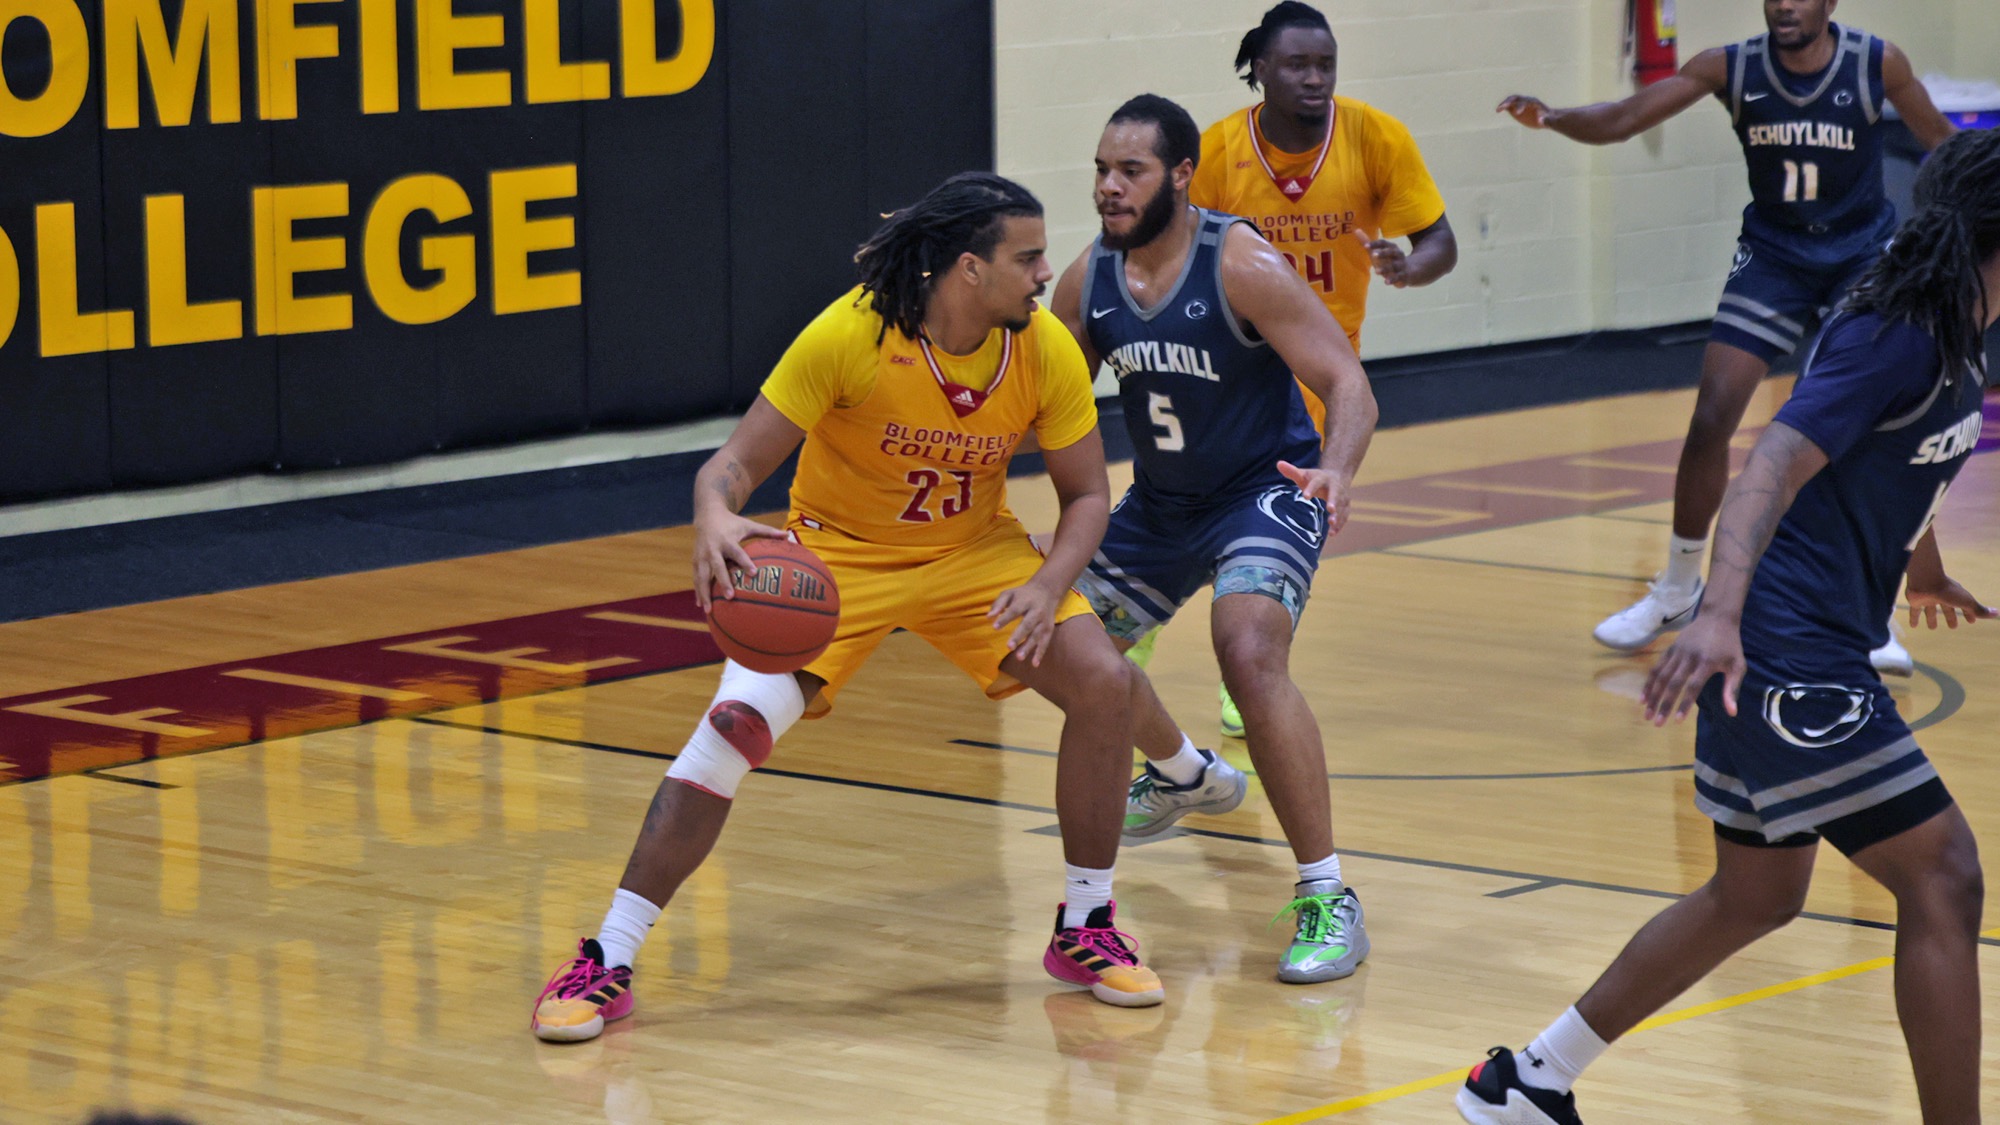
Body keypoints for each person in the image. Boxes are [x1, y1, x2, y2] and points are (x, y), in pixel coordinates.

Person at [530, 173, 1165, 1043]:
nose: (1045, 272)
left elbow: (1088, 494)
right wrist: (714, 514)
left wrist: (1049, 583)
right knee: (731, 734)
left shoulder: (1044, 345)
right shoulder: (850, 333)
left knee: (1104, 679)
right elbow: (729, 468)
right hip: (835, 560)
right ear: (968, 270)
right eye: (1028, 258)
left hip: (972, 554)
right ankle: (607, 955)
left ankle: (1085, 924)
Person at [1457, 126, 2000, 1125]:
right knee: (1944, 876)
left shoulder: (1955, 321)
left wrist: (1921, 565)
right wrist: (1714, 612)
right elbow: (1766, 465)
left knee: (1753, 896)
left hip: (1803, 640)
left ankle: (1526, 1083)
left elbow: (1903, 455)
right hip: (1778, 647)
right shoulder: (1898, 328)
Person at [1497, 0, 1957, 674]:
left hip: (1861, 257)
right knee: (1713, 414)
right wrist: (1555, 116)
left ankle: (1870, 607)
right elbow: (1626, 120)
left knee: (1866, 428)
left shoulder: (1875, 63)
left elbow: (1943, 145)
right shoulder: (1732, 67)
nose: (1784, 5)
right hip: (1775, 258)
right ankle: (1679, 586)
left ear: (1829, 3)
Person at [1053, 94, 1379, 983]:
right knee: (1059, 648)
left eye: (1132, 172)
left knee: (1246, 647)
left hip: (1264, 491)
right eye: (1101, 169)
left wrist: (1338, 470)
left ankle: (1327, 895)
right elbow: (1043, 407)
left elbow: (1349, 384)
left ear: (1182, 176)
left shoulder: (1240, 262)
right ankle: (1185, 771)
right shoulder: (1086, 282)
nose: (1109, 188)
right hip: (1160, 506)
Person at [1140, 0, 1456, 738]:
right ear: (1262, 71)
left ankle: (1241, 668)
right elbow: (1172, 252)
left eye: (1326, 65)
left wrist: (1409, 267)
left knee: (1271, 526)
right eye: (1297, 65)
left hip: (1319, 374)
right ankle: (1145, 615)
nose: (1315, 79)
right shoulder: (1217, 151)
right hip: (1228, 366)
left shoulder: (1376, 137)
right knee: (1205, 503)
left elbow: (1439, 239)